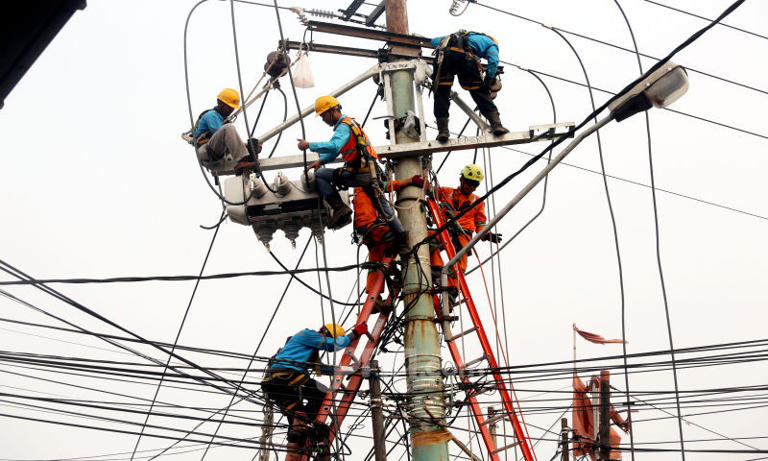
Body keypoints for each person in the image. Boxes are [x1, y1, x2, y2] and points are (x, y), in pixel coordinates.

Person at [299, 96, 407, 251]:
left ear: (333, 110)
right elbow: (340, 149)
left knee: (320, 175)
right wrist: (321, 161)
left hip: (359, 173)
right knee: (384, 208)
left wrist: (310, 145)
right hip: (369, 173)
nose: (323, 119)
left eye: (323, 115)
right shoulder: (351, 124)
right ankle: (403, 239)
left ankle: (340, 209)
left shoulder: (343, 127)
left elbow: (334, 146)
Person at [261, 322, 368, 461]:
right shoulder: (308, 334)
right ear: (326, 334)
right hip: (286, 376)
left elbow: (322, 369)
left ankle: (294, 449)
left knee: (298, 419)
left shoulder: (308, 350)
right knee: (322, 393)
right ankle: (312, 426)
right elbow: (333, 345)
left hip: (277, 384)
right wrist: (355, 333)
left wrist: (350, 369)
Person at [431, 164, 502, 294]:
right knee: (430, 241)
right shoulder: (447, 193)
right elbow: (426, 189)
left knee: (459, 268)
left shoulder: (477, 201)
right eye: (470, 183)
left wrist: (487, 234)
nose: (472, 187)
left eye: (476, 185)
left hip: (464, 236)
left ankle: (450, 298)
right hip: (446, 230)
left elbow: (480, 223)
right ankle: (435, 269)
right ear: (461, 180)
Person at [430, 30, 509, 142]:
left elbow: (433, 42)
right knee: (480, 93)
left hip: (444, 59)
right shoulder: (492, 44)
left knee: (441, 94)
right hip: (465, 58)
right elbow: (493, 62)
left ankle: (443, 132)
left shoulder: (453, 37)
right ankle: (497, 125)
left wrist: (451, 38)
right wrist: (489, 79)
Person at [353, 174, 424, 295]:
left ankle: (374, 295)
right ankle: (401, 257)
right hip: (371, 227)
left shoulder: (359, 190)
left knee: (375, 262)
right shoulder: (367, 184)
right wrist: (410, 180)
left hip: (367, 233)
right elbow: (389, 186)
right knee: (398, 235)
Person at [193, 88, 261, 173]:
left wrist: (252, 149)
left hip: (218, 154)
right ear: (220, 103)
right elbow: (222, 137)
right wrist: (246, 147)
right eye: (229, 107)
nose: (231, 110)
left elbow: (231, 142)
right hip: (205, 150)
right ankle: (242, 161)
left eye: (232, 108)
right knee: (229, 128)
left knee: (230, 128)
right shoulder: (211, 116)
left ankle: (244, 162)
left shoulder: (223, 120)